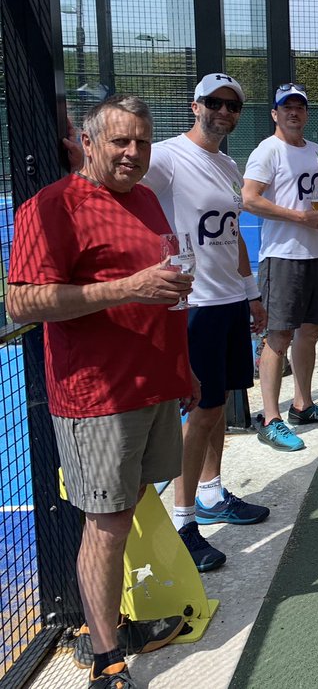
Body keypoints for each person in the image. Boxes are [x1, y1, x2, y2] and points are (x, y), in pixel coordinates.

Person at [8, 95, 198, 689]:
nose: (133, 152)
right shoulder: (52, 207)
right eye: (120, 141)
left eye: (141, 141)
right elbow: (22, 301)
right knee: (107, 522)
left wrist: (182, 369)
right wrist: (128, 287)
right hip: (98, 397)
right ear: (88, 143)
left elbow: (159, 293)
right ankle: (105, 656)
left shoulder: (142, 198)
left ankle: (114, 623)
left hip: (155, 386)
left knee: (130, 502)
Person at [141, 73, 269, 572]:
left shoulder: (227, 162)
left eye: (232, 106)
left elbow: (232, 232)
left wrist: (251, 292)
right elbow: (120, 182)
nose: (224, 112)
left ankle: (212, 493)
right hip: (193, 306)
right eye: (214, 103)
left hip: (229, 300)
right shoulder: (168, 157)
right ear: (195, 107)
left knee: (217, 409)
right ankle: (182, 519)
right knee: (201, 411)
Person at [243, 83, 318, 451]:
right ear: (274, 113)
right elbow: (249, 199)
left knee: (309, 333)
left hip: (317, 257)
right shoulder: (267, 151)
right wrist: (298, 218)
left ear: (306, 113)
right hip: (283, 258)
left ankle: (303, 405)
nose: (293, 112)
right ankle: (271, 417)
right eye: (286, 107)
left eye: (299, 107)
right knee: (278, 337)